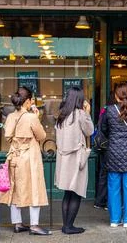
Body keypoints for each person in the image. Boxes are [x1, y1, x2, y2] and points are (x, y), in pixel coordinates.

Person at [0, 87, 51, 235]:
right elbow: (41, 136)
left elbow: (7, 137)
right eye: (31, 100)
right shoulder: (31, 117)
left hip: (14, 156)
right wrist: (37, 117)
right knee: (34, 188)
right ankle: (34, 225)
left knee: (14, 189)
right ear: (27, 101)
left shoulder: (10, 117)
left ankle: (17, 223)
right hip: (29, 157)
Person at [101, 82, 127, 228]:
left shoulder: (108, 111)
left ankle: (114, 219)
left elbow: (103, 129)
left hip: (112, 152)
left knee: (113, 187)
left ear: (116, 95)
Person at [55, 87, 94, 234]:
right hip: (76, 158)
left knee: (67, 193)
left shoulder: (62, 115)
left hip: (63, 159)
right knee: (76, 192)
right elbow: (90, 131)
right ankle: (69, 226)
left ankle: (66, 225)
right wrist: (88, 113)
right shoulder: (80, 115)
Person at [94, 93, 115, 210]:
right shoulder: (112, 111)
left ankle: (99, 201)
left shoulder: (103, 110)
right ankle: (108, 202)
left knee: (103, 173)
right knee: (112, 174)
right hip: (110, 146)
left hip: (102, 145)